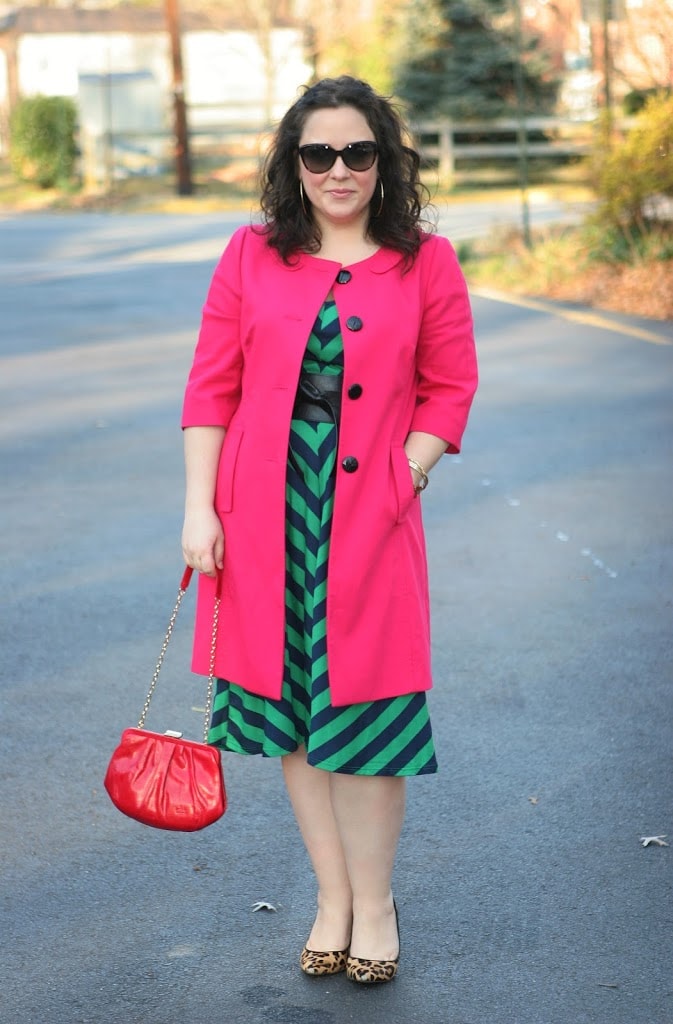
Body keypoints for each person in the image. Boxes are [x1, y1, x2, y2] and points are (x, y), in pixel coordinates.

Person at [180, 75, 477, 985]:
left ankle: (376, 903)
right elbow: (211, 387)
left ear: (383, 161)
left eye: (357, 152)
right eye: (319, 153)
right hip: (262, 513)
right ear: (293, 164)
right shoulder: (249, 254)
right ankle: (330, 898)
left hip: (371, 515)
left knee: (371, 712)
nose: (339, 169)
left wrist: (406, 473)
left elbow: (450, 383)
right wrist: (199, 507)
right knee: (294, 712)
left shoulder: (425, 259)